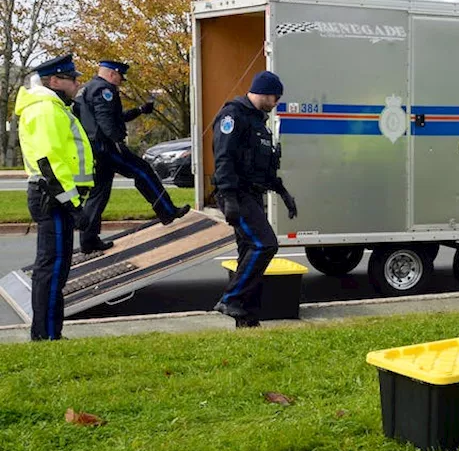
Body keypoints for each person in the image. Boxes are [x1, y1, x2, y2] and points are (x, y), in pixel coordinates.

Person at [15, 54, 96, 341]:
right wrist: (73, 205)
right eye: (72, 79)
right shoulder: (45, 109)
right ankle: (47, 335)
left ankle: (48, 333)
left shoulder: (51, 107)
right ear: (54, 81)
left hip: (55, 197)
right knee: (52, 267)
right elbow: (50, 162)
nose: (77, 83)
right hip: (54, 198)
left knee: (55, 267)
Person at [211, 71, 297, 328]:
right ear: (263, 91)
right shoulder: (233, 115)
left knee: (248, 251)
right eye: (275, 97)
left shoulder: (258, 121)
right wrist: (229, 198)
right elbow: (223, 158)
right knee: (264, 244)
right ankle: (231, 299)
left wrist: (283, 193)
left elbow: (261, 166)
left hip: (251, 193)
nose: (276, 103)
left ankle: (246, 318)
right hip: (236, 193)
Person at [75, 59, 188, 253]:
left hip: (96, 150)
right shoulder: (104, 90)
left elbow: (112, 117)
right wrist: (118, 142)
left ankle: (88, 240)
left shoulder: (87, 89)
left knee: (99, 193)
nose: (120, 81)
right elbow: (106, 122)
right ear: (112, 73)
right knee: (143, 171)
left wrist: (139, 111)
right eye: (120, 77)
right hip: (108, 148)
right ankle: (167, 211)